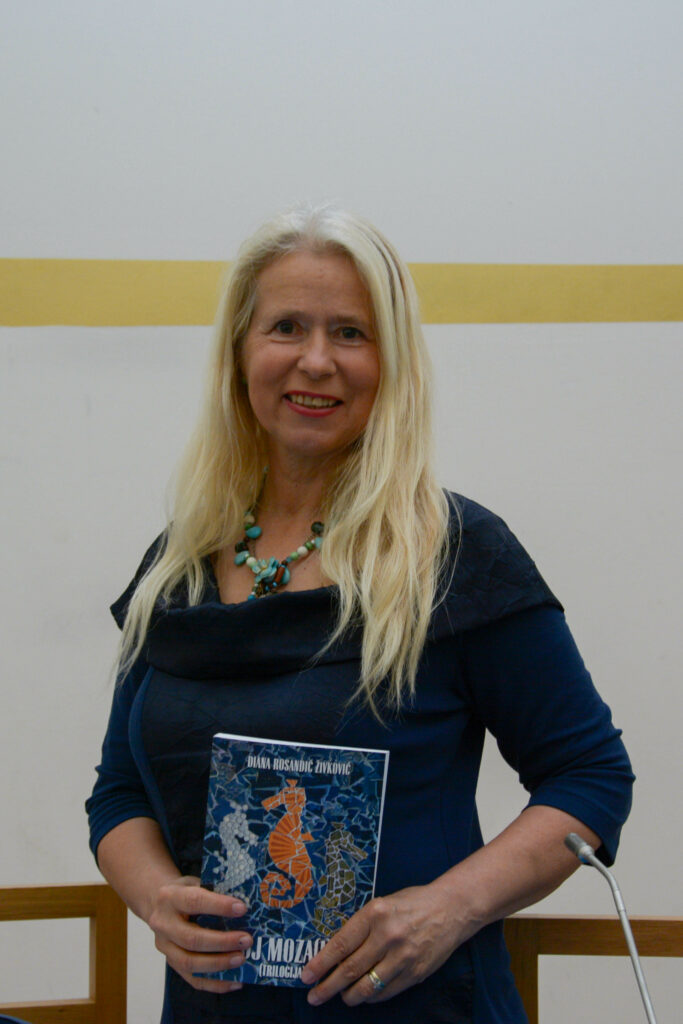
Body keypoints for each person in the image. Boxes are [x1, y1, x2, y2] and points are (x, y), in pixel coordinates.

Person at [86, 204, 634, 1024]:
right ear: (239, 352)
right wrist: (157, 897)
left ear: (393, 361)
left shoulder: (454, 552)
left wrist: (450, 907)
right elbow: (118, 793)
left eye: (350, 333)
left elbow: (589, 777)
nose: (316, 360)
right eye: (286, 327)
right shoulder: (179, 563)